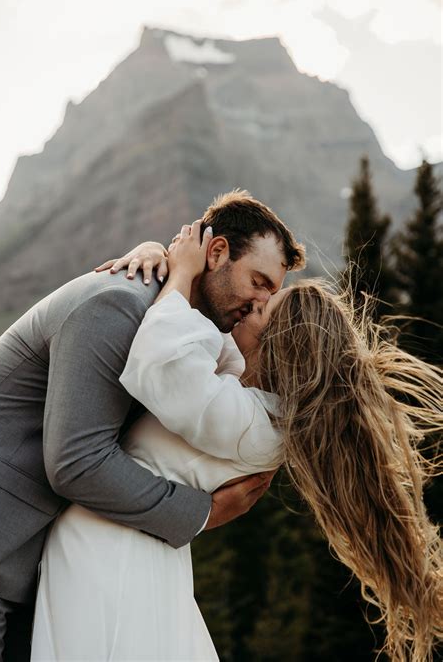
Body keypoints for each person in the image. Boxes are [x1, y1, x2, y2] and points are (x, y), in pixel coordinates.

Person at [32, 222, 442, 662]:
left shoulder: (254, 424)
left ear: (279, 345)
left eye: (264, 310)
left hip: (111, 552)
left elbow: (162, 362)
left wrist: (181, 274)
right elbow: (205, 338)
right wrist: (159, 252)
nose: (253, 306)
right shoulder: (250, 402)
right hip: (129, 547)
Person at [0, 190, 305, 661]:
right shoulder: (120, 305)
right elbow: (76, 462)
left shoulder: (174, 323)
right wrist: (201, 512)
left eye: (271, 291)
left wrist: (164, 256)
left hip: (21, 557)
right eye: (259, 281)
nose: (261, 303)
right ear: (217, 251)